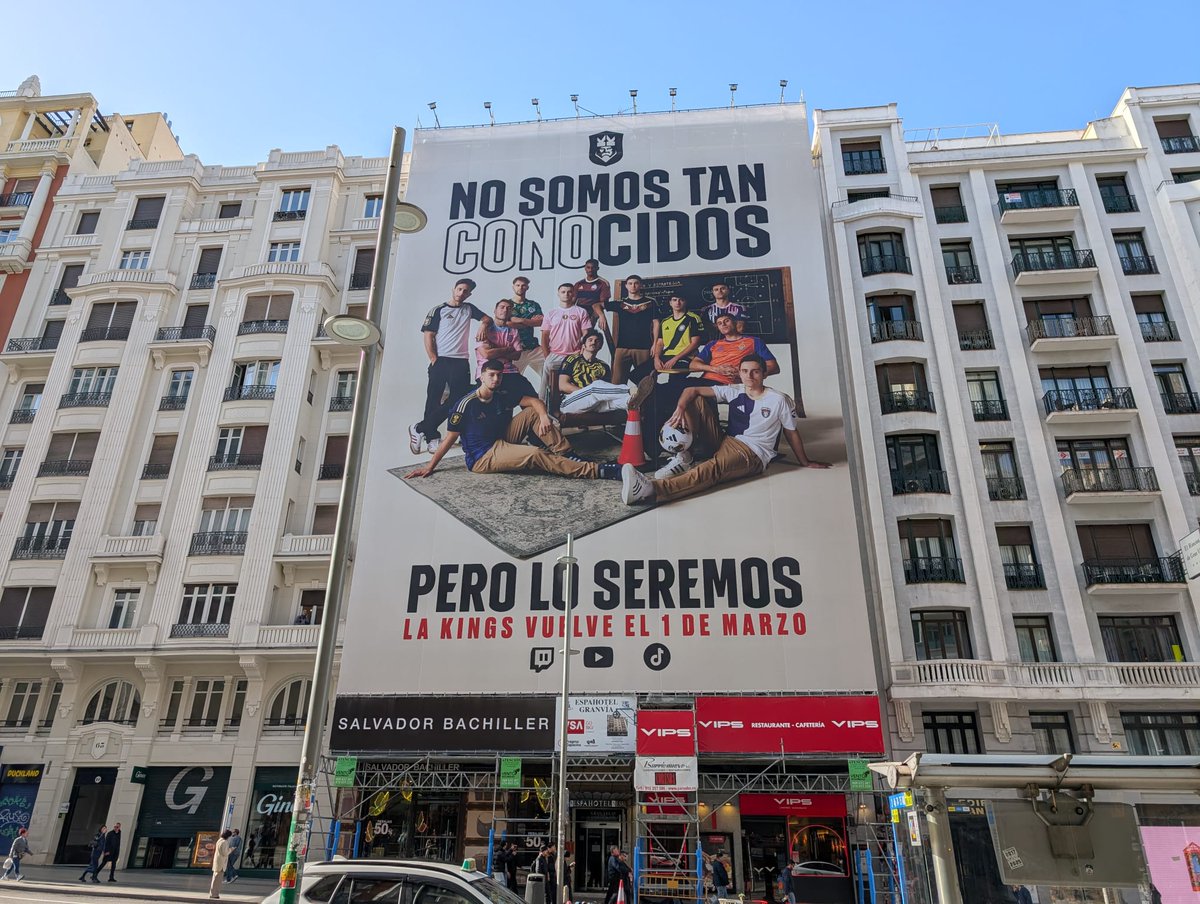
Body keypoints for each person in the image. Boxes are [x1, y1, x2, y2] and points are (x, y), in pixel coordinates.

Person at [621, 355, 828, 505]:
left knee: (711, 470)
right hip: (725, 440)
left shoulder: (779, 400)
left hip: (752, 452)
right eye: (745, 371)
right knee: (696, 398)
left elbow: (791, 432)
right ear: (739, 373)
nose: (750, 376)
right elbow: (690, 390)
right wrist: (681, 408)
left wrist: (805, 461)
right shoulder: (734, 390)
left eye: (755, 371)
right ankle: (685, 453)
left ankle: (651, 490)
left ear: (764, 373)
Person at [405, 360, 621, 482]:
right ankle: (596, 470)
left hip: (503, 437)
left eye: (499, 375)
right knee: (536, 454)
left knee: (533, 412)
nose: (496, 379)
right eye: (491, 375)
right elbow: (449, 440)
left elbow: (535, 402)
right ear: (481, 377)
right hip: (484, 455)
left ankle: (569, 455)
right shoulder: (465, 405)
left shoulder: (500, 393)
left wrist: (544, 416)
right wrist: (429, 466)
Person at [409, 278, 492, 455]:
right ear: (453, 289)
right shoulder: (439, 309)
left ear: (469, 294)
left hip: (461, 361)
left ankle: (419, 428)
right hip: (441, 360)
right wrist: (434, 359)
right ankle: (432, 437)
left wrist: (484, 323)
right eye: (459, 289)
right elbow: (428, 335)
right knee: (434, 399)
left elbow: (487, 318)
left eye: (466, 291)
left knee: (458, 400)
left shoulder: (469, 309)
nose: (462, 293)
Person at [601, 275, 660, 385]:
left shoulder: (650, 303)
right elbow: (596, 305)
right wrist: (601, 316)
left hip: (644, 347)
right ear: (626, 286)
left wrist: (655, 344)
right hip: (622, 347)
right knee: (617, 383)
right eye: (630, 283)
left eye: (636, 283)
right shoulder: (620, 304)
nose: (633, 286)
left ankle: (647, 403)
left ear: (641, 285)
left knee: (646, 383)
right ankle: (620, 403)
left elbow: (656, 323)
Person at [476, 300, 538, 403]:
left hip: (510, 371)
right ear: (495, 311)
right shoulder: (485, 329)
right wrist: (508, 349)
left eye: (509, 308)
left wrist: (495, 349)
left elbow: (517, 355)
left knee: (534, 399)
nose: (505, 310)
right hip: (488, 372)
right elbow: (486, 354)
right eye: (502, 307)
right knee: (496, 404)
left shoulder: (513, 331)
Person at [558, 330, 631, 415]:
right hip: (570, 402)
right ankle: (630, 391)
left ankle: (633, 399)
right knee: (595, 387)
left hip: (594, 402)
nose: (593, 342)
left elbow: (606, 392)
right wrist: (585, 392)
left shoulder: (604, 366)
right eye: (590, 340)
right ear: (583, 345)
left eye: (597, 341)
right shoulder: (572, 360)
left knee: (616, 402)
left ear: (600, 346)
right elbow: (562, 385)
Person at [541, 283, 593, 401]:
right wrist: (547, 355)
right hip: (555, 354)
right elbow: (544, 336)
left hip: (575, 354)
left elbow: (586, 334)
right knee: (546, 383)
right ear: (558, 294)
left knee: (577, 382)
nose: (566, 294)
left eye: (569, 292)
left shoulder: (581, 312)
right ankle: (543, 404)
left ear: (573, 294)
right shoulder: (551, 313)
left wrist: (582, 353)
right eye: (563, 292)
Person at [507, 276, 545, 384]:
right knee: (512, 382)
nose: (520, 288)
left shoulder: (533, 305)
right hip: (515, 350)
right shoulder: (507, 305)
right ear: (513, 287)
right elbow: (506, 324)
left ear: (527, 287)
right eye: (518, 285)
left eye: (523, 285)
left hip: (533, 348)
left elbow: (541, 322)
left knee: (550, 375)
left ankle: (546, 399)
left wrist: (520, 320)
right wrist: (529, 322)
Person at [573, 259, 611, 327]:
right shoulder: (578, 283)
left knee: (587, 333)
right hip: (579, 312)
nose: (590, 270)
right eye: (588, 267)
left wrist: (594, 318)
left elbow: (603, 304)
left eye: (593, 267)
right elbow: (572, 302)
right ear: (585, 268)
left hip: (593, 312)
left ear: (597, 268)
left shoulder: (603, 283)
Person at [210, 828, 232, 899]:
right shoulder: (225, 842)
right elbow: (225, 853)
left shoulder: (219, 840)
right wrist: (230, 850)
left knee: (214, 879)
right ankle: (215, 894)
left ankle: (212, 893)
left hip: (217, 862)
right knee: (218, 881)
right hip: (221, 863)